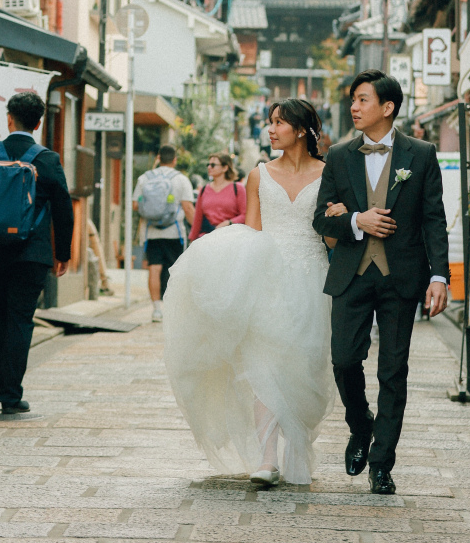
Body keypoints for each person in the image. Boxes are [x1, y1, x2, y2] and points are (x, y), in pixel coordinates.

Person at [163, 99, 341, 486]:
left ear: (301, 130)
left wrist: (339, 216)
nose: (271, 129)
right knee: (264, 363)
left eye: (279, 123)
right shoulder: (258, 174)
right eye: (270, 122)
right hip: (268, 275)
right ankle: (266, 458)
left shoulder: (329, 173)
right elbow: (254, 232)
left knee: (304, 365)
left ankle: (295, 445)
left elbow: (329, 238)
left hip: (313, 276)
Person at [313, 69, 449, 495]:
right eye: (353, 100)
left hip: (402, 277)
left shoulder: (421, 154)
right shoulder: (338, 156)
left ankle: (381, 464)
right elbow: (320, 218)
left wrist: (440, 275)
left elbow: (433, 219)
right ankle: (361, 424)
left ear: (387, 108)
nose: (354, 107)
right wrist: (357, 219)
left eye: (363, 100)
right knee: (343, 359)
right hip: (351, 275)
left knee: (394, 371)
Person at [0, 91, 74, 415]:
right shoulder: (46, 159)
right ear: (38, 123)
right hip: (33, 253)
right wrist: (62, 252)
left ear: (9, 118)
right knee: (21, 319)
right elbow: (64, 208)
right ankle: (11, 394)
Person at [133, 145, 195, 323]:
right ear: (175, 159)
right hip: (175, 232)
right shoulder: (181, 180)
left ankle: (156, 310)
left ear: (158, 157)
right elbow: (188, 208)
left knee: (154, 268)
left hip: (151, 233)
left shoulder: (144, 178)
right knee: (175, 270)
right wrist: (197, 230)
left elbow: (135, 205)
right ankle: (172, 309)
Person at [187, 152, 246, 240]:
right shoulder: (203, 190)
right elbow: (197, 220)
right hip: (207, 238)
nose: (209, 167)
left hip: (231, 238)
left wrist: (229, 222)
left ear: (225, 167)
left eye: (213, 165)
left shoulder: (237, 188)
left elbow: (245, 215)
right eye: (208, 164)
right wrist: (192, 239)